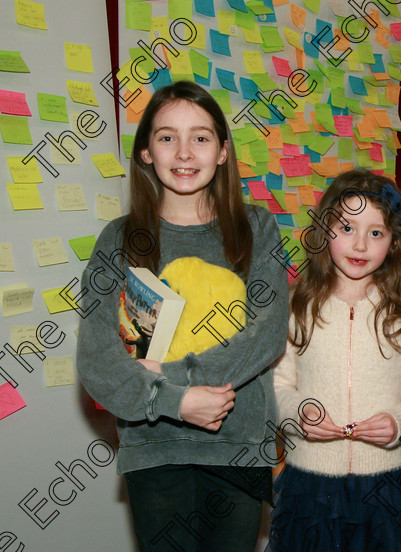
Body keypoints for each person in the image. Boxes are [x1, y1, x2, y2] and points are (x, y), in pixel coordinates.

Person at [76, 81, 289, 552]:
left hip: (237, 446)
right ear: (147, 153)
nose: (184, 152)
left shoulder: (257, 228)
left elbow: (268, 332)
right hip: (156, 449)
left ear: (223, 151)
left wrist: (176, 377)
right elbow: (97, 361)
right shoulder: (118, 240)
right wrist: (176, 402)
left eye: (201, 137)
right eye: (167, 136)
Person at [269, 170, 401, 551]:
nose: (360, 244)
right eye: (347, 227)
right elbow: (278, 386)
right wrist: (300, 415)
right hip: (310, 484)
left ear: (394, 241)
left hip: (387, 484)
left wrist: (397, 421)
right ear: (325, 229)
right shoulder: (297, 306)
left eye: (376, 233)